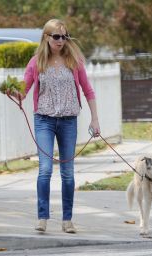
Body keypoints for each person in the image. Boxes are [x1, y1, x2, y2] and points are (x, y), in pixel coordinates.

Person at [16, 19, 100, 233]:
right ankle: (42, 217)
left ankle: (67, 220)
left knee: (68, 173)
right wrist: (13, 92)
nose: (61, 40)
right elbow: (23, 90)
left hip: (68, 121)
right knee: (44, 170)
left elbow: (88, 91)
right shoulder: (36, 62)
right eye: (56, 36)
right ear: (46, 37)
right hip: (44, 120)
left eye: (64, 36)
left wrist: (95, 119)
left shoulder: (74, 61)